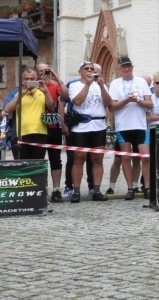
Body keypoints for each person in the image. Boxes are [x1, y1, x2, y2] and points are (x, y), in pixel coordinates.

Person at [108, 56, 153, 201]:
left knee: (145, 157)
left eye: (129, 67)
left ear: (132, 67)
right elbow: (112, 106)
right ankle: (130, 188)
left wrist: (138, 100)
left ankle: (147, 187)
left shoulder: (141, 82)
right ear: (119, 69)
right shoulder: (115, 84)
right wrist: (127, 99)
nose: (126, 69)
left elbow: (150, 104)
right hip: (123, 126)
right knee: (126, 157)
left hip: (140, 125)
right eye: (124, 67)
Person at [68, 61, 112, 202]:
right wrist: (87, 84)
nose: (89, 71)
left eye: (91, 69)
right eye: (86, 69)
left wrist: (101, 85)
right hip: (81, 126)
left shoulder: (100, 85)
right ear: (80, 71)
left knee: (97, 159)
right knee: (79, 158)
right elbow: (77, 102)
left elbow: (108, 102)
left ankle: (97, 190)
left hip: (99, 125)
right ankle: (76, 191)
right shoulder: (74, 85)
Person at [3, 67, 55, 161]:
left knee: (37, 166)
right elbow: (7, 109)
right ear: (21, 80)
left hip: (40, 133)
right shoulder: (15, 93)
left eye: (32, 79)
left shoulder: (42, 92)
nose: (29, 81)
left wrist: (46, 92)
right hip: (20, 134)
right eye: (26, 79)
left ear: (36, 79)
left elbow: (51, 107)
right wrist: (21, 94)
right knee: (22, 167)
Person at [35, 63, 69, 202]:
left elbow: (66, 96)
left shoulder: (54, 85)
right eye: (41, 71)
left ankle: (56, 190)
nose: (44, 73)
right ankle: (38, 190)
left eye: (46, 71)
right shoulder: (34, 85)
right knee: (39, 159)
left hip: (53, 126)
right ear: (36, 73)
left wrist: (56, 77)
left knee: (55, 159)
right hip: (38, 127)